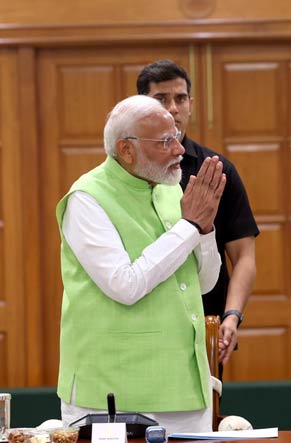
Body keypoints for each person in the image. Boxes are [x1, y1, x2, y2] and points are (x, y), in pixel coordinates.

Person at [57, 95, 226, 434]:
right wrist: (189, 227)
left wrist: (205, 230)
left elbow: (204, 284)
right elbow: (125, 285)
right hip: (112, 391)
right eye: (165, 142)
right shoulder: (87, 198)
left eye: (176, 136)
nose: (180, 150)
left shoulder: (171, 189)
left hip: (186, 387)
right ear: (127, 149)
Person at [137, 60, 259, 369]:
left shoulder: (216, 169)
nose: (173, 108)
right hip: (142, 326)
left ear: (191, 104)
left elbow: (243, 254)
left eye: (180, 98)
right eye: (161, 99)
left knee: (208, 417)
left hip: (204, 327)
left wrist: (232, 316)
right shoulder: (131, 173)